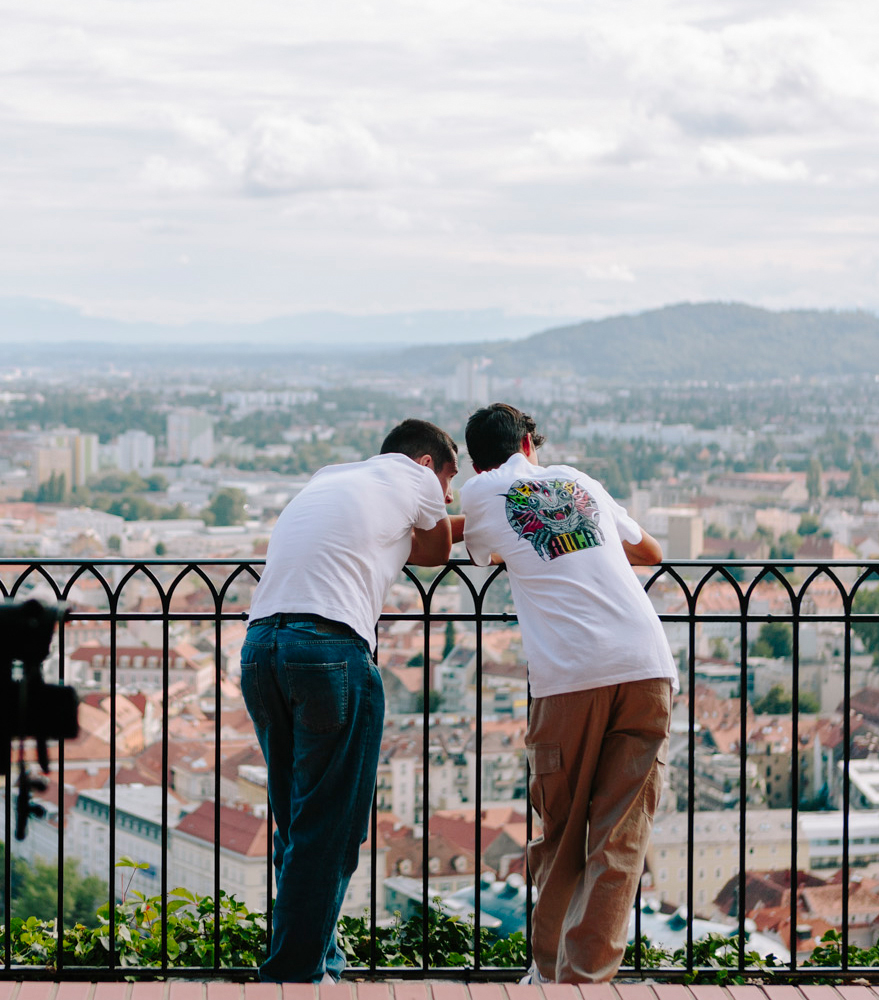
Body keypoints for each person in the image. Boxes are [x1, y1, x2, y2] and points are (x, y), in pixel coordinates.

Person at [455, 403, 674, 985]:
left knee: (563, 829)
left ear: (476, 463)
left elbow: (480, 548)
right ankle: (586, 979)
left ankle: (551, 975)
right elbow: (651, 552)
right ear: (530, 443)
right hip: (647, 665)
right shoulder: (579, 482)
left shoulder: (480, 495)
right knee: (620, 836)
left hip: (572, 675)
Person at [241, 418, 463, 983]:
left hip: (261, 644)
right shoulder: (415, 479)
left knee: (297, 820)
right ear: (427, 464)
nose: (448, 494)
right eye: (450, 480)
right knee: (332, 828)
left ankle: (321, 961)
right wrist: (480, 525)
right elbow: (434, 552)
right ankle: (294, 977)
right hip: (330, 648)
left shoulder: (332, 475)